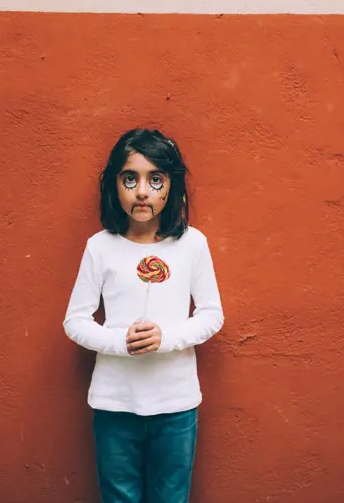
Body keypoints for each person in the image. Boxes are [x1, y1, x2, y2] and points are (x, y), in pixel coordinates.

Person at [63, 128, 224, 503]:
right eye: (129, 178)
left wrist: (164, 338)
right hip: (115, 403)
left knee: (171, 496)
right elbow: (75, 320)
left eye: (155, 179)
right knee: (119, 496)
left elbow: (212, 314)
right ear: (114, 187)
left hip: (175, 404)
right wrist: (122, 341)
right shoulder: (100, 247)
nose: (141, 191)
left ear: (173, 187)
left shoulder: (192, 244)